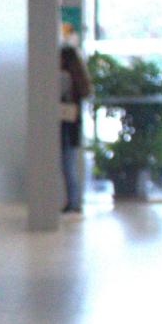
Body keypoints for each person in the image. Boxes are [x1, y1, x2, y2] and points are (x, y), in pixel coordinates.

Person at [60, 44, 92, 214]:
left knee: (66, 165)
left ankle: (72, 202)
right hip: (73, 126)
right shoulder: (78, 80)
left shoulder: (64, 77)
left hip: (65, 126)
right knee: (69, 165)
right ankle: (74, 201)